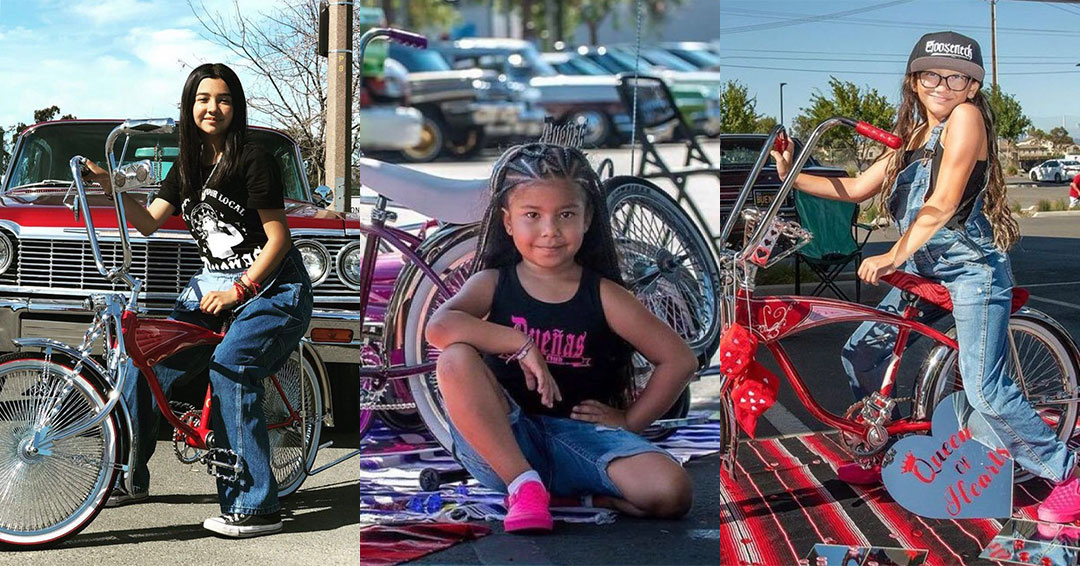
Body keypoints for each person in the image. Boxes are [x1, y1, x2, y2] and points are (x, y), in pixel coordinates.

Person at [772, 31, 1080, 522]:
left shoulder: (967, 118)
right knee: (862, 350)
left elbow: (941, 203)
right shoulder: (914, 137)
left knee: (986, 390)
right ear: (915, 81)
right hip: (924, 268)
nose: (943, 85)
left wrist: (893, 252)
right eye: (932, 74)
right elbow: (854, 188)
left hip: (971, 270)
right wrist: (790, 169)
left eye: (956, 77)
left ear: (972, 87)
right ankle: (881, 443)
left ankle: (1067, 472)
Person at [82, 63, 313, 538]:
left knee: (230, 366)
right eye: (203, 99)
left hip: (272, 289)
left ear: (236, 106)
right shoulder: (185, 166)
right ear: (189, 107)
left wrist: (239, 290)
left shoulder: (253, 158)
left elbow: (279, 240)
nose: (213, 108)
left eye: (223, 99)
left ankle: (257, 505)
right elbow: (148, 222)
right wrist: (113, 189)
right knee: (147, 361)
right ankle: (127, 474)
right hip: (213, 287)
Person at [425, 143, 698, 533]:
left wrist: (632, 421)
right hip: (503, 444)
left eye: (566, 214)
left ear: (587, 220)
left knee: (672, 491)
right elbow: (439, 327)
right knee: (454, 358)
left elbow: (679, 359)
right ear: (507, 222)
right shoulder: (492, 282)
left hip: (579, 439)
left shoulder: (603, 294)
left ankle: (575, 496)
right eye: (532, 215)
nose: (550, 231)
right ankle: (524, 487)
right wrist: (520, 343)